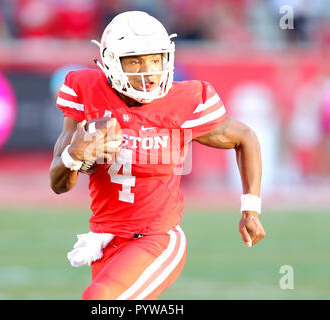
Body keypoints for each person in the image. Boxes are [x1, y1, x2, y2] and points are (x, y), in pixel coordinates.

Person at [49, 11, 265, 300]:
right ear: (112, 60)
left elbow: (245, 138)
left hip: (156, 239)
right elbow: (58, 184)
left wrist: (250, 209)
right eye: (136, 60)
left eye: (155, 59)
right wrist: (74, 156)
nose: (148, 71)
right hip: (106, 241)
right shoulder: (85, 89)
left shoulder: (185, 100)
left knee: (98, 299)